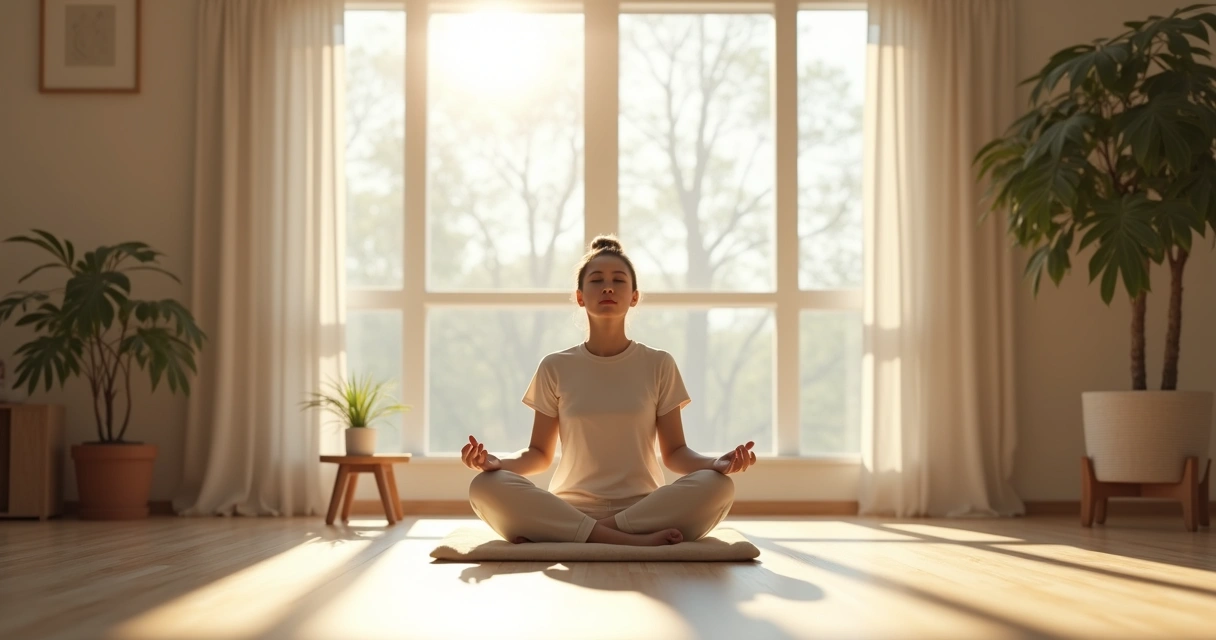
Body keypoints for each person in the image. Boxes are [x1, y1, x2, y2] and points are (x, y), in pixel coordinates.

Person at [462, 235, 757, 546]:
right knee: (483, 486)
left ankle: (581, 534)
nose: (607, 287)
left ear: (634, 297)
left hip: (643, 507)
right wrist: (496, 464)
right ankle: (622, 539)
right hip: (569, 507)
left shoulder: (658, 363)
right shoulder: (555, 366)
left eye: (618, 280)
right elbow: (538, 454)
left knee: (719, 486)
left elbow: (675, 454)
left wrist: (716, 464)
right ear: (579, 296)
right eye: (596, 280)